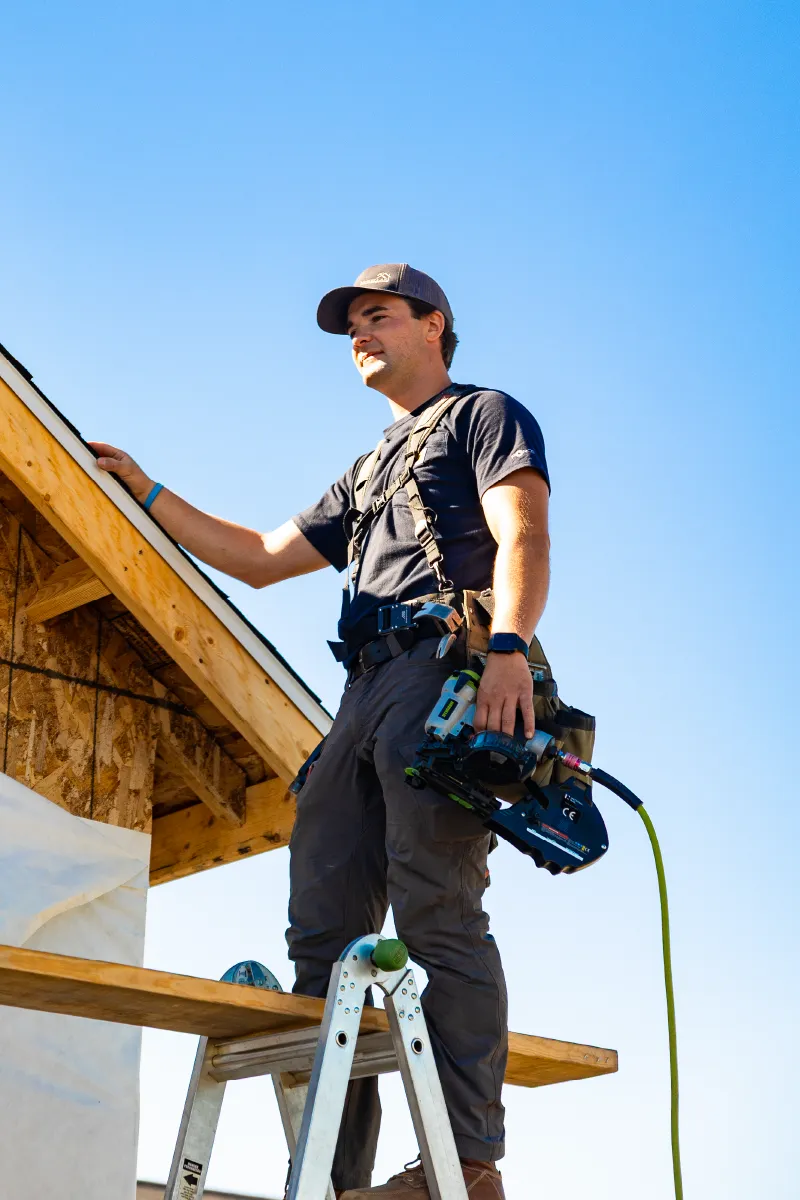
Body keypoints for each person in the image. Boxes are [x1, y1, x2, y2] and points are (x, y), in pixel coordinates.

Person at [91, 263, 550, 1200]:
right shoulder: (368, 468)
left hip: (443, 669)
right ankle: (345, 1183)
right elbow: (257, 559)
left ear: (436, 325)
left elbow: (525, 533)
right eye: (352, 326)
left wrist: (509, 646)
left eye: (379, 316)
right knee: (327, 940)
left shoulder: (485, 415)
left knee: (437, 909)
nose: (361, 335)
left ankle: (464, 1167)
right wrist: (146, 490)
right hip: (362, 692)